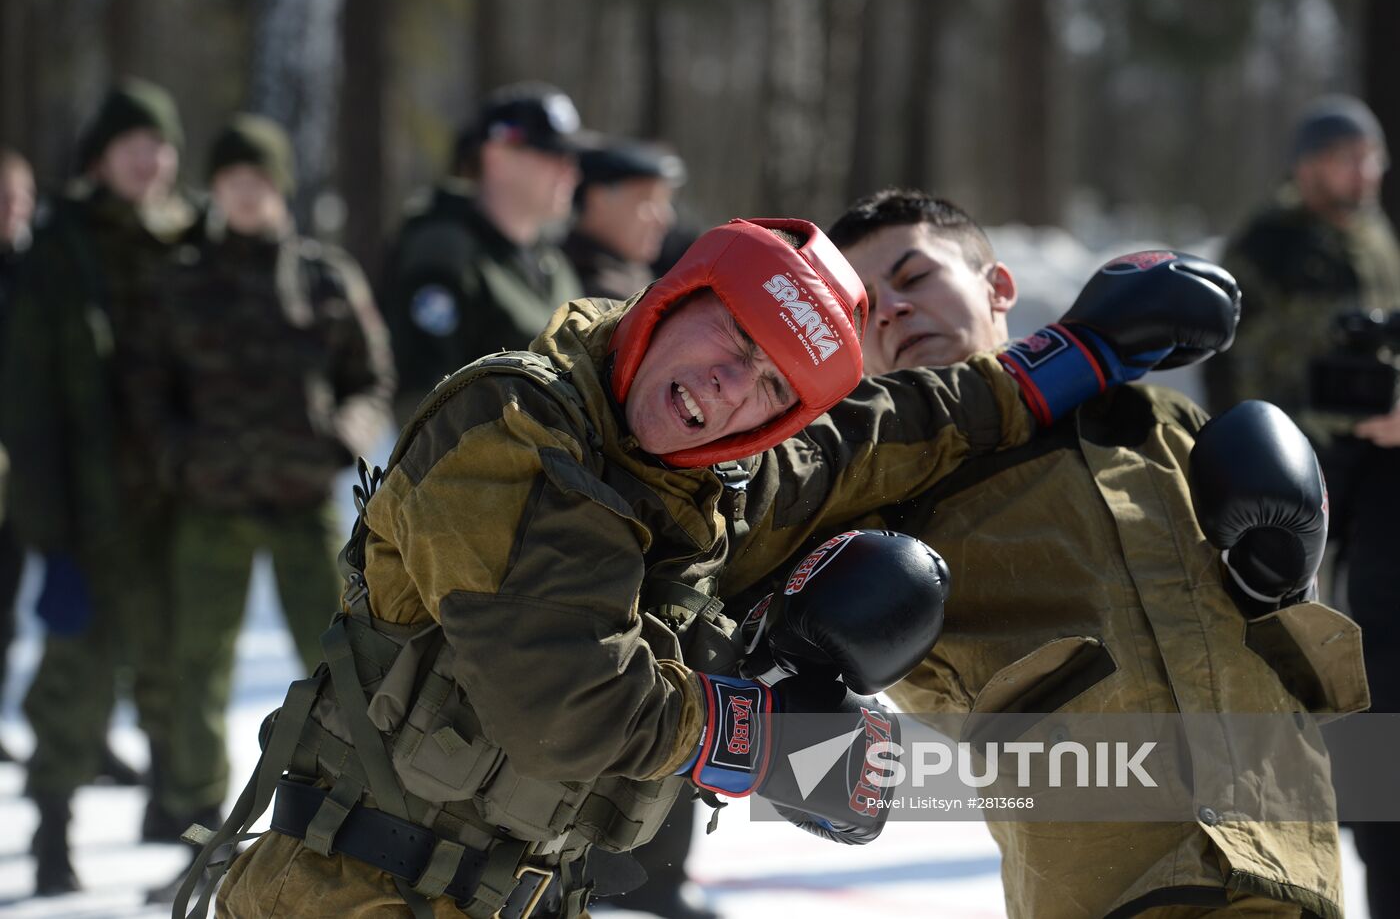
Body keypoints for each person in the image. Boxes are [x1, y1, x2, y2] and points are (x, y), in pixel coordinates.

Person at [176, 212, 1235, 919]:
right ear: (671, 297)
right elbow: (565, 697)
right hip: (347, 891)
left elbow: (863, 438)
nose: (724, 388)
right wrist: (759, 736)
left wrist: (1068, 359)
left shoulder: (702, 469)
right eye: (726, 337)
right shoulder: (515, 428)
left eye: (767, 388)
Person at [729, 188, 1358, 918]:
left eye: (914, 277)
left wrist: (1278, 585)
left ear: (998, 287)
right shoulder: (875, 487)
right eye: (865, 308)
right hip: (1110, 880)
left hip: (1287, 862)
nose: (894, 308)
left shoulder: (1159, 423)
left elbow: (1292, 671)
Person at [126, 114, 394, 888]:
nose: (247, 194)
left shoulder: (324, 276)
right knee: (195, 668)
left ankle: (327, 832)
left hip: (303, 499)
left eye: (260, 179)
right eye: (232, 180)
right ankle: (200, 835)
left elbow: (370, 377)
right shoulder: (180, 281)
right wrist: (180, 457)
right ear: (214, 189)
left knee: (339, 667)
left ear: (280, 187)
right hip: (209, 506)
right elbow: (146, 391)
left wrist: (346, 432)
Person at [1203, 94, 1400, 919]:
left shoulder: (1373, 235)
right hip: (1292, 470)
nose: (1359, 173)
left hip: (1376, 458)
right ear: (1306, 165)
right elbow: (1243, 367)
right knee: (1299, 649)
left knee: (1379, 647)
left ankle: (1370, 799)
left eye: (1370, 157)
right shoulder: (1267, 247)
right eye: (1343, 158)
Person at [0, 78, 196, 895]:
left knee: (182, 678)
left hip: (178, 509)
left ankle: (190, 828)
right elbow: (30, 402)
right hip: (90, 513)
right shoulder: (59, 250)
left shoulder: (193, 239)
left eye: (160, 145)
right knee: (72, 685)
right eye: (131, 145)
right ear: (100, 156)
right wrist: (50, 533)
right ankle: (52, 832)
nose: (148, 161)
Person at [558, 135, 709, 919]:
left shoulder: (636, 280)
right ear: (594, 199)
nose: (663, 215)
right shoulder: (574, 287)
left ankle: (649, 874)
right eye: (644, 197)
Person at [380, 81, 587, 423]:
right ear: (497, 157)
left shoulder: (550, 261)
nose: (571, 172)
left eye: (572, 158)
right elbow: (421, 403)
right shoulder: (443, 254)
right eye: (552, 155)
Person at [0, 148, 37, 765]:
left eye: (20, 198)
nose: (13, 211)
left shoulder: (32, 271)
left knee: (6, 609)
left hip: (18, 477)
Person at [562, 138, 685, 301]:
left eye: (665, 202)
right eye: (649, 200)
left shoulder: (633, 275)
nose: (666, 219)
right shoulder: (582, 286)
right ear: (598, 200)